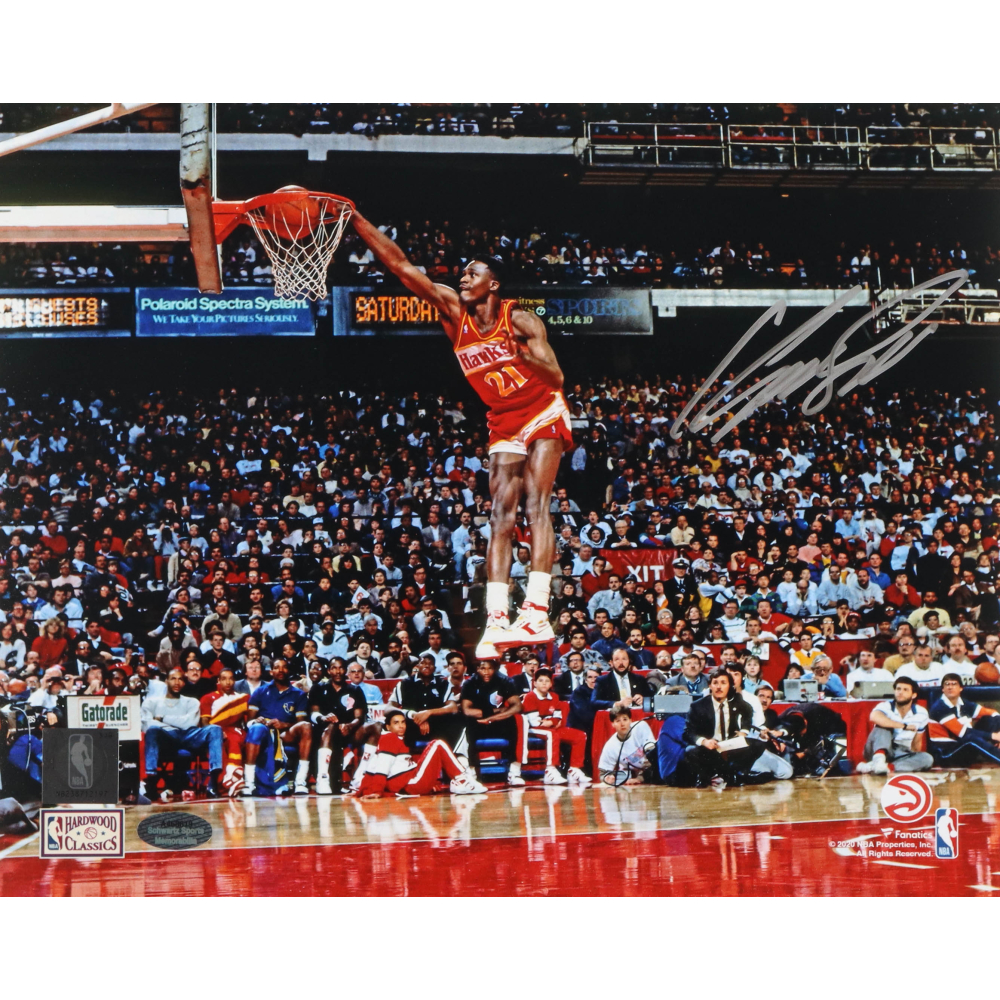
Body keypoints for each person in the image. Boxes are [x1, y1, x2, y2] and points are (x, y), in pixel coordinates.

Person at [351, 213, 572, 659]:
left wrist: (522, 358)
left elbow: (557, 377)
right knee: (499, 516)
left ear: (494, 283)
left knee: (536, 504)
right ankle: (497, 618)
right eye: (463, 273)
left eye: (473, 272)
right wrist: (355, 219)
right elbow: (402, 267)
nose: (463, 277)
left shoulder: (521, 319)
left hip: (541, 408)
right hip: (502, 418)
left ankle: (536, 610)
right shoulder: (454, 311)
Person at [358, 709, 486, 798]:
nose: (401, 726)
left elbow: (375, 766)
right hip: (410, 785)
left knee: (435, 745)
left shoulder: (398, 740)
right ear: (388, 727)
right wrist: (377, 791)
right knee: (438, 744)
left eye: (403, 722)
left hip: (411, 783)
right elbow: (382, 767)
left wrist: (431, 784)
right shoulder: (388, 738)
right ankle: (463, 779)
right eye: (396, 723)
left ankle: (462, 779)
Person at [141, 667, 224, 799]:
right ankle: (151, 781)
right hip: (167, 738)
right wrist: (174, 725)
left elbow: (189, 723)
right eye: (173, 679)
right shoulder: (151, 702)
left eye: (180, 679)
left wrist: (162, 718)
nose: (177, 682)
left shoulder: (192, 702)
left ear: (184, 683)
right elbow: (146, 724)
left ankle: (213, 783)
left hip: (190, 736)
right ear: (166, 681)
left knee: (215, 729)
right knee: (152, 731)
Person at [243, 658, 311, 796]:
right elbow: (248, 722)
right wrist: (257, 721)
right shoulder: (260, 691)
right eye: (276, 667)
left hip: (286, 733)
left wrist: (284, 725)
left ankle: (300, 781)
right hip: (264, 731)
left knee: (306, 726)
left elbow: (301, 721)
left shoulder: (299, 694)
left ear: (289, 671)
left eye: (284, 667)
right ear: (271, 671)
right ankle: (249, 783)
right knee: (256, 728)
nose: (280, 670)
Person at [309, 658, 372, 795]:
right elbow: (313, 713)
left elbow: (359, 717)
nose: (338, 671)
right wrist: (323, 718)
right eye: (334, 668)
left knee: (376, 726)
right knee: (331, 726)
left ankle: (360, 777)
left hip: (348, 732)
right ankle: (322, 778)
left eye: (341, 668)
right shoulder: (318, 688)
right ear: (328, 671)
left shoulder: (355, 690)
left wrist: (350, 725)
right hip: (325, 732)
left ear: (346, 671)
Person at [519, 667, 590, 785]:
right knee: (552, 734)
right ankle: (550, 770)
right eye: (540, 680)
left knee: (580, 735)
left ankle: (574, 770)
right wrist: (551, 722)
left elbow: (558, 718)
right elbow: (535, 722)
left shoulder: (554, 696)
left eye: (547, 681)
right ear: (535, 683)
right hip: (532, 730)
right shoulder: (530, 697)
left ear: (551, 684)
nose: (544, 683)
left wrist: (550, 722)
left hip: (550, 728)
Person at [856, 676, 933, 774]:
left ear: (913, 695)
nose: (900, 692)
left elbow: (917, 741)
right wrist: (903, 726)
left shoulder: (921, 713)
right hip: (877, 748)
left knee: (927, 759)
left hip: (901, 751)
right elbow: (874, 717)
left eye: (905, 690)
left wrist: (913, 757)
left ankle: (881, 767)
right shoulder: (885, 706)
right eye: (898, 689)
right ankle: (879, 761)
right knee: (883, 725)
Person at [927, 673, 1000, 765]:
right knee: (971, 738)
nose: (950, 687)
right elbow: (963, 733)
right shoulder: (939, 707)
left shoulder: (964, 703)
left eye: (954, 684)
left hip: (963, 748)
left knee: (992, 720)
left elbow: (993, 713)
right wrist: (994, 736)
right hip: (946, 753)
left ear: (960, 688)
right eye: (947, 684)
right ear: (943, 689)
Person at [198, 666, 249, 792]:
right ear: (218, 681)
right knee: (219, 741)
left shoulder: (241, 698)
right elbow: (204, 721)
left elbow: (248, 719)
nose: (228, 682)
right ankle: (231, 779)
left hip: (235, 731)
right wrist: (216, 732)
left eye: (231, 679)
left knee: (233, 738)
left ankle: (230, 777)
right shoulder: (208, 698)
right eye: (224, 679)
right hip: (215, 732)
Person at [598, 703, 657, 785]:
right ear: (612, 724)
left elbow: (654, 753)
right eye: (618, 721)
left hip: (653, 769)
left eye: (625, 719)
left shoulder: (640, 727)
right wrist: (607, 778)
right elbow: (602, 773)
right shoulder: (610, 746)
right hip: (632, 776)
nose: (622, 724)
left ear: (630, 720)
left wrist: (641, 777)